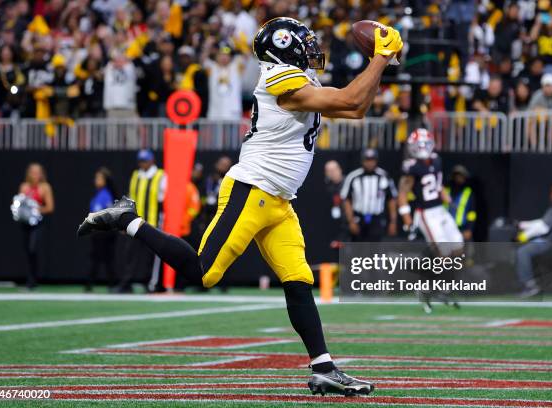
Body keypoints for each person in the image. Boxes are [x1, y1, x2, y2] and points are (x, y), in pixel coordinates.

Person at [78, 16, 404, 396]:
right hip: (252, 189)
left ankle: (324, 368)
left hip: (279, 200)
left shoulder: (302, 80)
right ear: (286, 48)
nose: (313, 48)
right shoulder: (278, 77)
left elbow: (357, 108)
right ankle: (128, 219)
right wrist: (379, 58)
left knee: (298, 281)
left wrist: (382, 61)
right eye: (305, 42)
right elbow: (350, 98)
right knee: (204, 273)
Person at [397, 129, 464, 312]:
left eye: (425, 144)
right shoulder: (411, 167)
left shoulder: (436, 159)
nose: (422, 148)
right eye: (419, 145)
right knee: (442, 252)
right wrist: (407, 220)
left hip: (440, 210)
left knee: (458, 247)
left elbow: (438, 183)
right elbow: (402, 195)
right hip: (426, 213)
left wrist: (446, 197)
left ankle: (439, 286)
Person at [115, 149, 167, 293]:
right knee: (130, 254)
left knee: (151, 256)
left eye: (145, 161)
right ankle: (126, 283)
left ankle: (151, 283)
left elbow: (164, 200)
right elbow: (131, 198)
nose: (142, 164)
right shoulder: (136, 175)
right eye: (140, 161)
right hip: (135, 222)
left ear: (152, 161)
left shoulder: (160, 176)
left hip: (152, 222)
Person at [515, 183, 552, 298]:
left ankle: (530, 286)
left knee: (523, 252)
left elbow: (542, 227)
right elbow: (542, 221)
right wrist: (523, 225)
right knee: (526, 247)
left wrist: (523, 236)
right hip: (547, 241)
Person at [341, 148, 398, 242]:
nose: (370, 163)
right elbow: (346, 200)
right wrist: (351, 221)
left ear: (376, 160)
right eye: (367, 160)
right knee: (357, 250)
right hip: (358, 217)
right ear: (362, 161)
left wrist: (393, 222)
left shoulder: (384, 176)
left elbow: (391, 199)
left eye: (372, 160)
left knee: (374, 250)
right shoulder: (353, 177)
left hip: (377, 219)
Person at [18, 163, 54, 290]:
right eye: (32, 172)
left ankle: (33, 280)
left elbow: (50, 207)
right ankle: (29, 279)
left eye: (38, 172)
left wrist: (36, 209)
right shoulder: (24, 187)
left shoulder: (45, 187)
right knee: (27, 251)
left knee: (33, 249)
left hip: (37, 223)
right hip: (25, 223)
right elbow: (19, 204)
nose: (35, 175)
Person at [86, 167, 117, 292]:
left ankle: (111, 284)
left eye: (99, 178)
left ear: (105, 180)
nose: (96, 180)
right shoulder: (98, 194)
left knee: (106, 258)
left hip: (104, 232)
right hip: (97, 232)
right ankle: (106, 283)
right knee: (97, 258)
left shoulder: (106, 195)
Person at [444, 165, 476, 241]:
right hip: (446, 228)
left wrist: (469, 229)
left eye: (461, 176)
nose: (459, 178)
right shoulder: (445, 190)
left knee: (466, 251)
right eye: (457, 176)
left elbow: (472, 213)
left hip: (462, 228)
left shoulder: (468, 192)